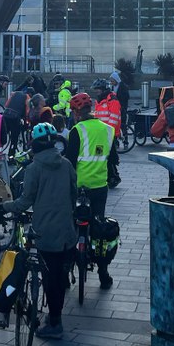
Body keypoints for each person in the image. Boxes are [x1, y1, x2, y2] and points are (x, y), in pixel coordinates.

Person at [0, 122, 76, 340]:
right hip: (66, 232)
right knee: (58, 276)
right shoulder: (67, 164)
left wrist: (2, 208)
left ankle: (55, 324)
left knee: (48, 277)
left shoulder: (34, 168)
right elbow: (73, 193)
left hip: (45, 232)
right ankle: (55, 319)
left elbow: (25, 201)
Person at [64, 92, 116, 290]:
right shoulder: (108, 130)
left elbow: (69, 161)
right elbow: (112, 158)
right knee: (99, 230)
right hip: (99, 188)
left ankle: (66, 269)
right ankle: (103, 274)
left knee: (70, 227)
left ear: (77, 113)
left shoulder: (77, 130)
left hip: (78, 188)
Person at [92, 79, 122, 188]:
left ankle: (113, 176)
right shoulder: (99, 101)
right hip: (101, 134)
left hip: (109, 134)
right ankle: (109, 176)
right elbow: (97, 116)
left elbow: (114, 118)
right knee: (101, 155)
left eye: (98, 90)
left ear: (103, 89)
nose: (96, 92)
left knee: (106, 156)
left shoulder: (112, 100)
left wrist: (108, 133)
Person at [3, 83, 30, 156]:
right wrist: (26, 121)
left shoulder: (14, 94)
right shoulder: (27, 97)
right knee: (14, 137)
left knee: (4, 133)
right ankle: (11, 154)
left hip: (6, 115)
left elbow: (6, 105)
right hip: (15, 117)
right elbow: (27, 111)